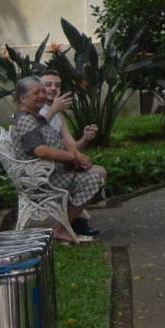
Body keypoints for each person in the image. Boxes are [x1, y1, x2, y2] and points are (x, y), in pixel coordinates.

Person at [8, 74, 104, 242]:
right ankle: (60, 229)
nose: (42, 95)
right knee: (93, 180)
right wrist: (72, 157)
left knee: (95, 175)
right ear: (23, 98)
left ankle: (70, 224)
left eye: (42, 92)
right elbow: (41, 151)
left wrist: (76, 156)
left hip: (50, 173)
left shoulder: (36, 118)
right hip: (41, 179)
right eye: (36, 93)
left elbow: (62, 143)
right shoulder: (26, 120)